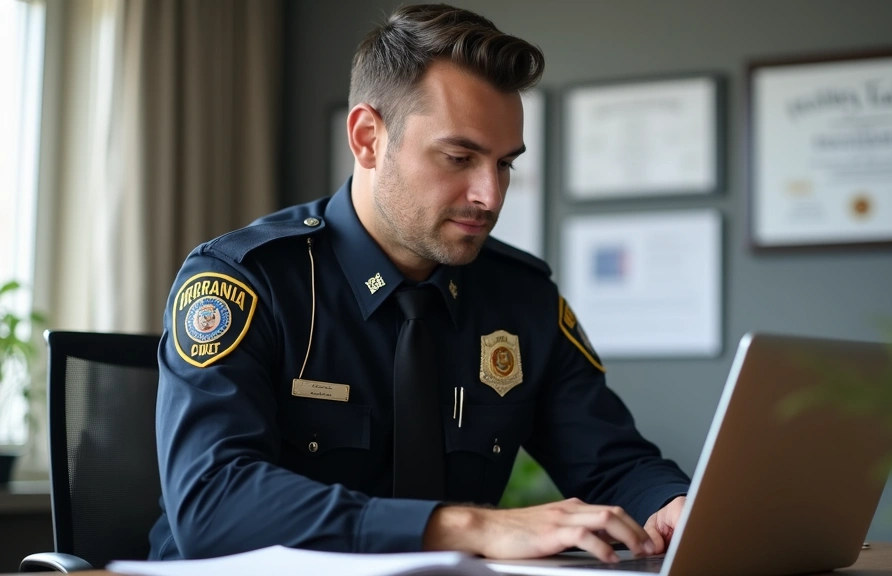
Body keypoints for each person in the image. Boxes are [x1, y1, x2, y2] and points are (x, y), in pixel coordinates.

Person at [149, 3, 691, 564]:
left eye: (505, 164)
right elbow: (210, 502)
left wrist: (670, 503)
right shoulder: (249, 280)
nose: (491, 195)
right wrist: (464, 526)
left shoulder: (519, 297)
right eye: (459, 157)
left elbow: (612, 462)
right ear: (367, 138)